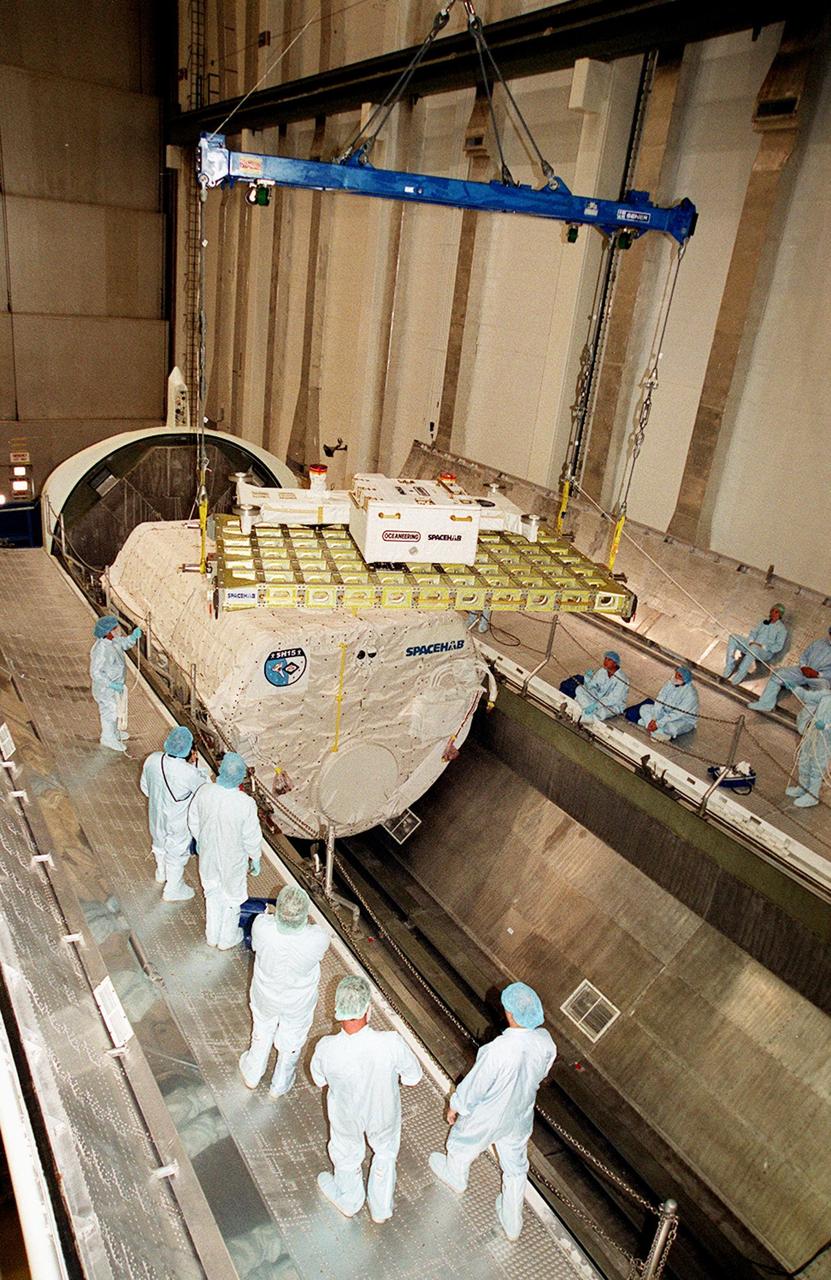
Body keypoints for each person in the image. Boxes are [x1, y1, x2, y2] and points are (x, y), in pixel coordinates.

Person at [428, 982, 556, 1243]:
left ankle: (456, 1177)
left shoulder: (497, 1049)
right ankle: (512, 1221)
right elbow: (541, 1074)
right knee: (515, 1167)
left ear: (509, 1014)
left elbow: (474, 1087)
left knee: (462, 1144)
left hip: (488, 1116)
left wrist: (455, 1106)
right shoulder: (546, 1043)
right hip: (520, 1115)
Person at [311, 974, 422, 1224]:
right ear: (368, 1010)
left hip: (345, 1116)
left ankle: (350, 1200)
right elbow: (413, 1077)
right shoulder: (391, 1043)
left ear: (337, 1010)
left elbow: (319, 1080)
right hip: (383, 1113)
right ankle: (380, 1208)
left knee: (346, 1152)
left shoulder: (325, 1048)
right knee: (385, 1151)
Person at [239, 885, 330, 1097]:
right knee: (293, 1037)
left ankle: (253, 1073)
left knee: (262, 1027)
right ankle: (280, 1083)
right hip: (298, 1001)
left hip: (265, 994)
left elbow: (256, 943)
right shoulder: (318, 938)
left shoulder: (262, 926)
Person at [188, 751, 262, 949]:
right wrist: (255, 857)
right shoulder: (245, 803)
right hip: (233, 858)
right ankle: (227, 938)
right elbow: (251, 835)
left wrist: (200, 839)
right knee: (232, 897)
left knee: (212, 892)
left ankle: (212, 936)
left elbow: (193, 819)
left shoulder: (205, 791)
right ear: (241, 776)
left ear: (220, 770)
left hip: (208, 854)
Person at [140, 725, 208, 898]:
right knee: (176, 852)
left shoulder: (152, 759)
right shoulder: (189, 772)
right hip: (178, 820)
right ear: (190, 750)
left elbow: (145, 788)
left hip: (156, 815)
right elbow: (205, 794)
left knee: (159, 842)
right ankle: (173, 889)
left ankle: (161, 873)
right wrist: (199, 770)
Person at [89, 615, 142, 752]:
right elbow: (95, 673)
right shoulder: (101, 650)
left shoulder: (113, 641)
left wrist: (133, 637)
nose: (118, 629)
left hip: (115, 686)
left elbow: (124, 643)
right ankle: (107, 738)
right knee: (109, 712)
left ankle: (113, 732)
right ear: (108, 632)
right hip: (105, 689)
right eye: (115, 628)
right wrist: (110, 684)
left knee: (116, 709)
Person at [748, 627, 831, 712]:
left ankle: (813, 718)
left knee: (824, 695)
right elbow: (805, 655)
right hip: (803, 671)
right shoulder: (820, 642)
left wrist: (818, 674)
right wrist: (803, 666)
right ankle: (766, 704)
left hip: (820, 678)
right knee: (778, 674)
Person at [722, 605, 787, 686]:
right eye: (772, 611)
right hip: (753, 645)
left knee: (754, 648)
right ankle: (729, 665)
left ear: (780, 615)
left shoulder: (782, 629)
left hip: (764, 652)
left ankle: (741, 673)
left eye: (776, 612)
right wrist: (751, 641)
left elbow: (778, 646)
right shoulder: (764, 622)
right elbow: (754, 632)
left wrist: (763, 646)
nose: (773, 613)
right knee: (733, 637)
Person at [787, 689, 831, 808]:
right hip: (813, 733)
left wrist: (827, 727)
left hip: (826, 740)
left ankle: (812, 795)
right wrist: (795, 688)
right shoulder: (827, 695)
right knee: (804, 759)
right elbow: (809, 696)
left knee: (817, 766)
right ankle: (802, 787)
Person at [638, 667, 699, 742]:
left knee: (671, 728)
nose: (676, 677)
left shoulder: (691, 694)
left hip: (682, 719)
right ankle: (658, 732)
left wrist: (658, 724)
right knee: (644, 708)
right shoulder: (671, 682)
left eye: (679, 676)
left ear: (685, 680)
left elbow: (678, 714)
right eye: (676, 674)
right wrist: (654, 718)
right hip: (665, 712)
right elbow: (660, 699)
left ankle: (651, 727)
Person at [574, 651, 629, 721]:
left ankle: (586, 715)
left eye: (609, 660)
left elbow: (613, 699)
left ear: (615, 663)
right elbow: (592, 686)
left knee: (602, 712)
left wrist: (596, 705)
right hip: (598, 697)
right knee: (580, 689)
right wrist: (587, 679)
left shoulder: (622, 679)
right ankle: (588, 714)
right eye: (605, 658)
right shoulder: (602, 671)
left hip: (613, 705)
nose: (605, 662)